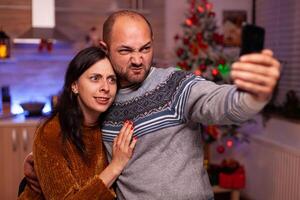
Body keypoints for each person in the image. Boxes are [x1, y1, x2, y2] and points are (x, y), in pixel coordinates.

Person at [23, 10, 280, 200]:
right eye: (125, 51)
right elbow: (81, 152)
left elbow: (223, 104)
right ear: (105, 48)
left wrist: (254, 94)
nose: (137, 60)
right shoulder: (102, 103)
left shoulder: (175, 85)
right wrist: (40, 164)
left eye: (145, 48)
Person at [18, 46, 137, 199]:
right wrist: (115, 167)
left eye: (111, 79)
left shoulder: (110, 124)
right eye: (95, 78)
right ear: (74, 85)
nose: (105, 88)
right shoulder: (51, 131)